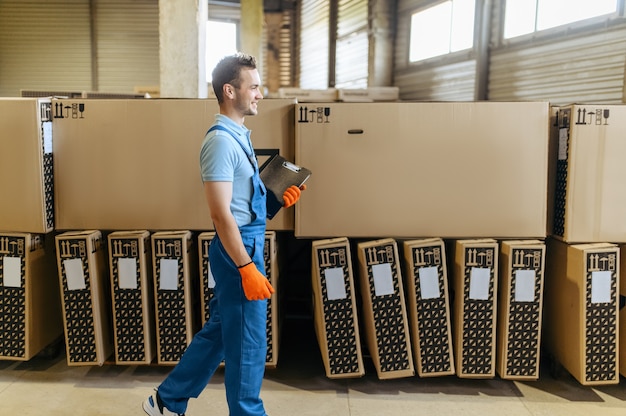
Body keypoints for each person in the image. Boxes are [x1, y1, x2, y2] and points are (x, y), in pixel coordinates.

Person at [143, 52, 304, 416]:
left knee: (221, 332)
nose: (260, 94)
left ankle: (166, 401)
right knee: (247, 343)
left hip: (245, 241)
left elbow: (240, 205)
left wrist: (277, 201)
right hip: (238, 250)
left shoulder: (238, 136)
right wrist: (246, 266)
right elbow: (220, 214)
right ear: (230, 91)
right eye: (255, 87)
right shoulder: (219, 143)